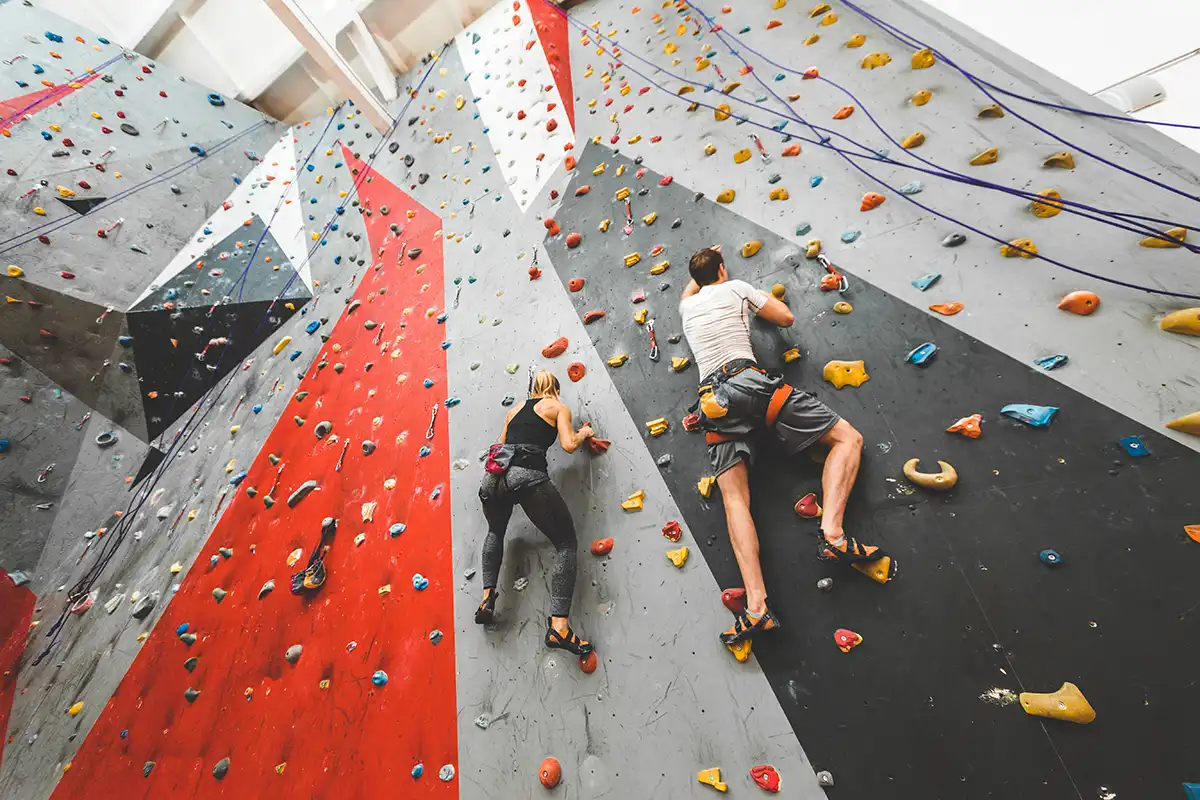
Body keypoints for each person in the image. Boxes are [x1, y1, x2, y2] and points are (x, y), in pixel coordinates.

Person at [680, 246, 883, 646]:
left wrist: (703, 272)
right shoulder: (736, 286)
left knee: (735, 500)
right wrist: (730, 280)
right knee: (847, 438)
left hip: (711, 401)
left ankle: (757, 606)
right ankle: (834, 535)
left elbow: (690, 292)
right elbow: (784, 317)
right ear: (722, 270)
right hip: (747, 382)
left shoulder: (687, 308)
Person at [475, 370, 595, 657]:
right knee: (566, 544)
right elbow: (568, 445)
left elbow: (501, 445)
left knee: (495, 531)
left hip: (492, 479)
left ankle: (486, 598)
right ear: (554, 387)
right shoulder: (557, 407)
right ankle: (560, 628)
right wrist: (584, 433)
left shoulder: (515, 410)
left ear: (531, 389)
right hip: (525, 476)